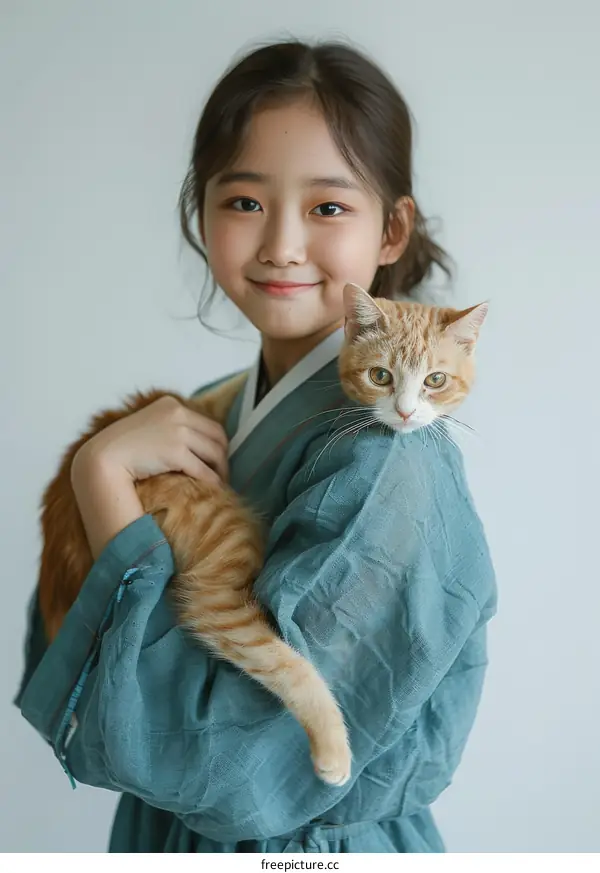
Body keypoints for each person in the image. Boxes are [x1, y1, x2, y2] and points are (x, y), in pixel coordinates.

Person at [16, 40, 496, 853]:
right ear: (199, 213)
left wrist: (100, 477)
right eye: (243, 202)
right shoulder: (210, 411)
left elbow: (243, 765)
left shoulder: (390, 457)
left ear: (393, 228)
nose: (279, 244)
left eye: (328, 207)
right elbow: (63, 645)